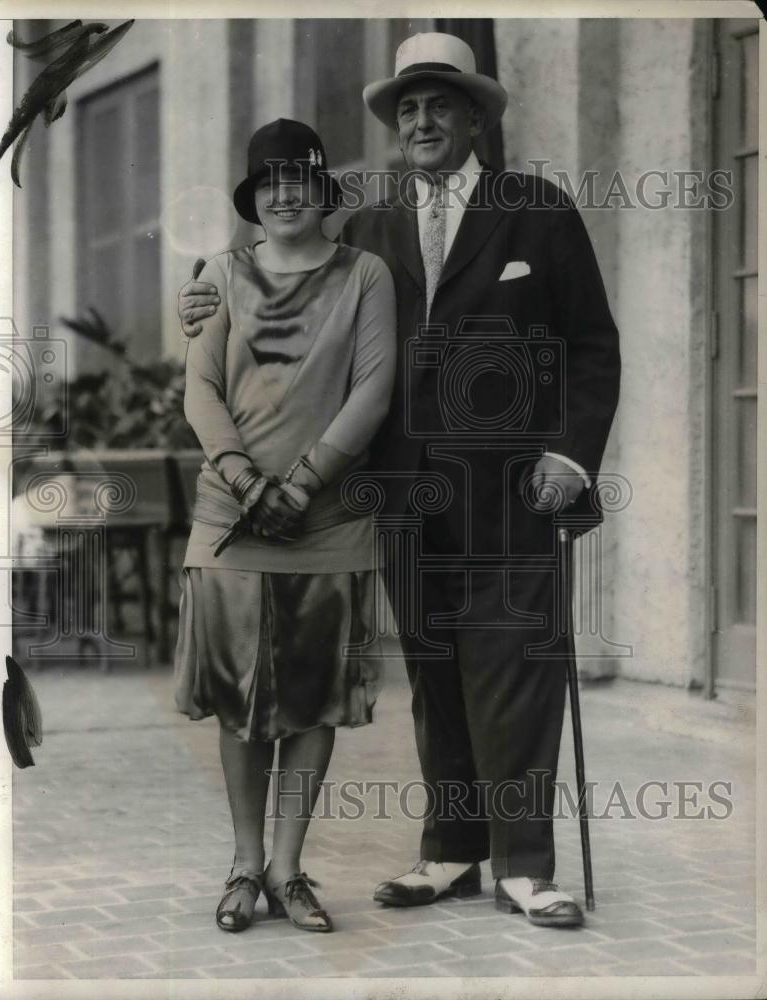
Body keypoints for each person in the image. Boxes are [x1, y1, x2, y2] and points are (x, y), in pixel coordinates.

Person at [178, 33, 620, 930]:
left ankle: (525, 866)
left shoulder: (535, 210)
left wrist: (569, 456)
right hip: (401, 493)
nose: (421, 122)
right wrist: (201, 296)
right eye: (407, 110)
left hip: (512, 488)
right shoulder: (369, 229)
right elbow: (280, 273)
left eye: (439, 106)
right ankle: (452, 850)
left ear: (475, 117)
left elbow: (591, 346)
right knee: (436, 669)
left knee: (515, 665)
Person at [174, 117, 396, 935]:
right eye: (268, 182)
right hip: (233, 517)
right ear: (252, 197)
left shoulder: (365, 273)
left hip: (328, 515)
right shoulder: (220, 276)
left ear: (323, 188)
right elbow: (200, 390)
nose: (284, 194)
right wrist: (243, 478)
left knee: (310, 701)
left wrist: (301, 484)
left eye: (298, 178)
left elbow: (373, 389)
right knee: (239, 697)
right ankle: (240, 863)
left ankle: (286, 867)